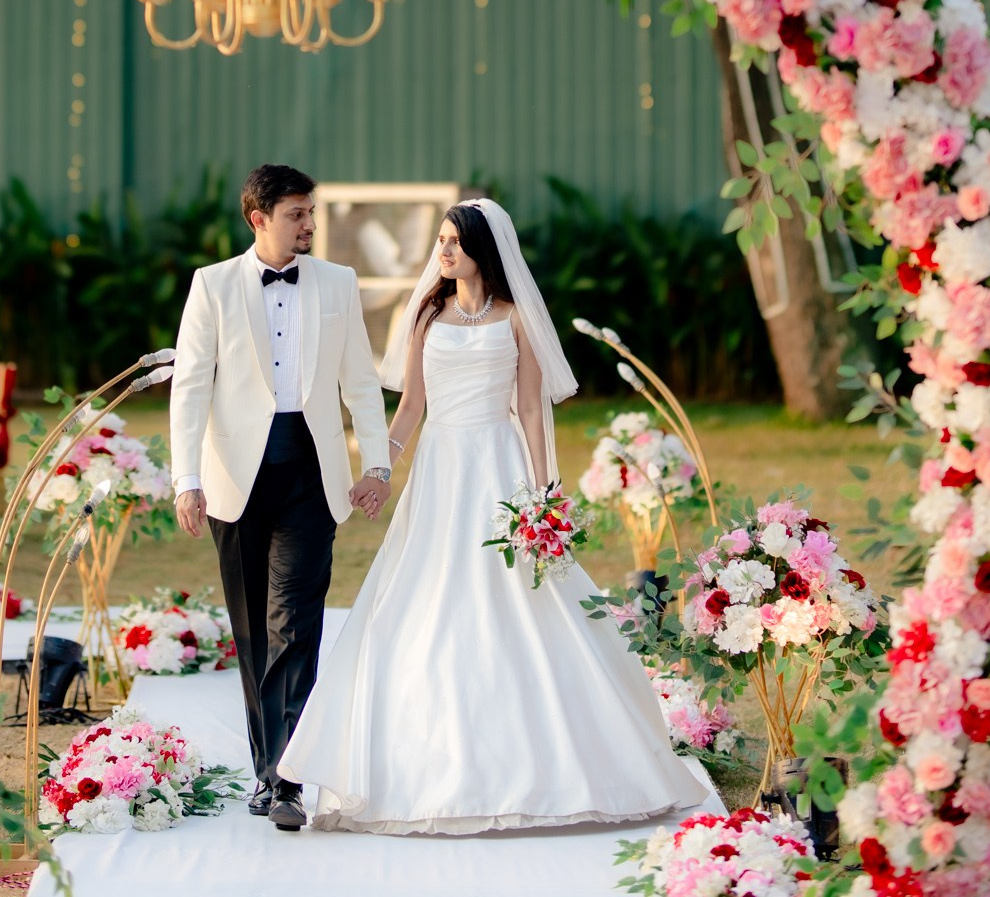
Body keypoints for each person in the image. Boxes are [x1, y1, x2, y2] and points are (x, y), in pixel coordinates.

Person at [279, 197, 712, 834]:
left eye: (454, 242)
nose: (443, 252)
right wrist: (380, 470)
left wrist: (544, 495)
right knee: (428, 595)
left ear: (483, 249)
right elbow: (410, 409)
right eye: (441, 241)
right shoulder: (426, 315)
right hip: (441, 470)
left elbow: (531, 409)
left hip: (500, 468)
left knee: (520, 597)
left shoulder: (515, 319)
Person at [168, 162, 391, 832]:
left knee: (295, 624)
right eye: (296, 214)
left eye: (310, 212)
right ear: (257, 218)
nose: (308, 224)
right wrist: (186, 479)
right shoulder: (211, 286)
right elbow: (190, 387)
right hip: (234, 481)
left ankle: (286, 779)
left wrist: (377, 463)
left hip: (311, 476)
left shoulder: (337, 283)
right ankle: (267, 768)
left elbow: (360, 381)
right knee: (252, 631)